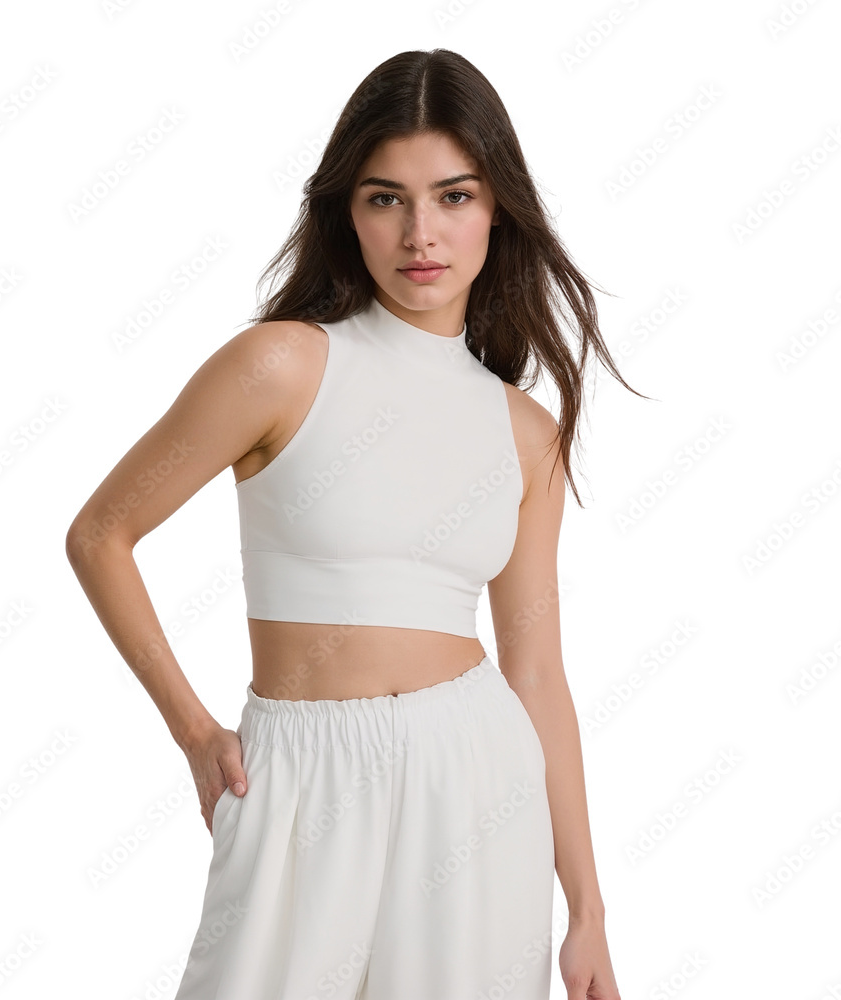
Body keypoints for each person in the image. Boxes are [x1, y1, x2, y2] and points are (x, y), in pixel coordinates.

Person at [66, 48, 641, 1000]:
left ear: (498, 210)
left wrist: (587, 912)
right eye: (386, 199)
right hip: (299, 780)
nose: (421, 233)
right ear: (348, 211)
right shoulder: (280, 367)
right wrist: (195, 732)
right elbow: (101, 534)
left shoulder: (524, 431)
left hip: (475, 781)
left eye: (454, 196)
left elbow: (537, 671)